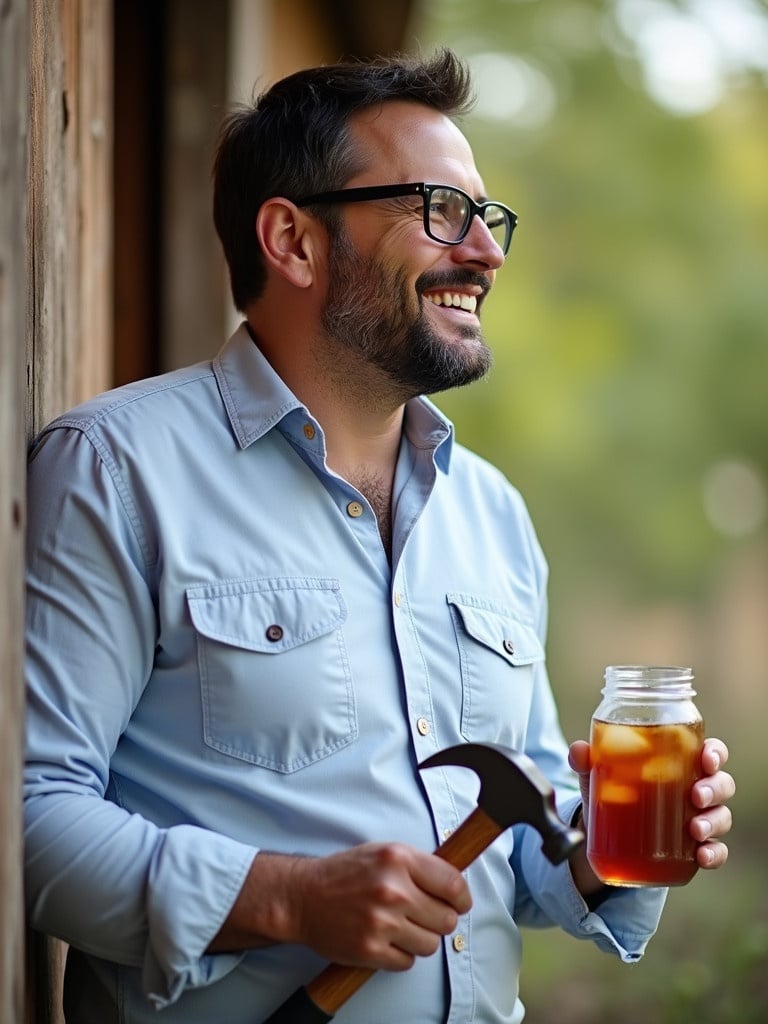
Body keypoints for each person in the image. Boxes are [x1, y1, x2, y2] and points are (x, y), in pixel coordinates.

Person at [24, 49, 735, 1024]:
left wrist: (616, 850)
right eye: (441, 209)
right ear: (294, 240)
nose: (484, 251)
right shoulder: (116, 470)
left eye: (488, 217)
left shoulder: (492, 516)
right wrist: (285, 897)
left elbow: (520, 861)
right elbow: (28, 816)